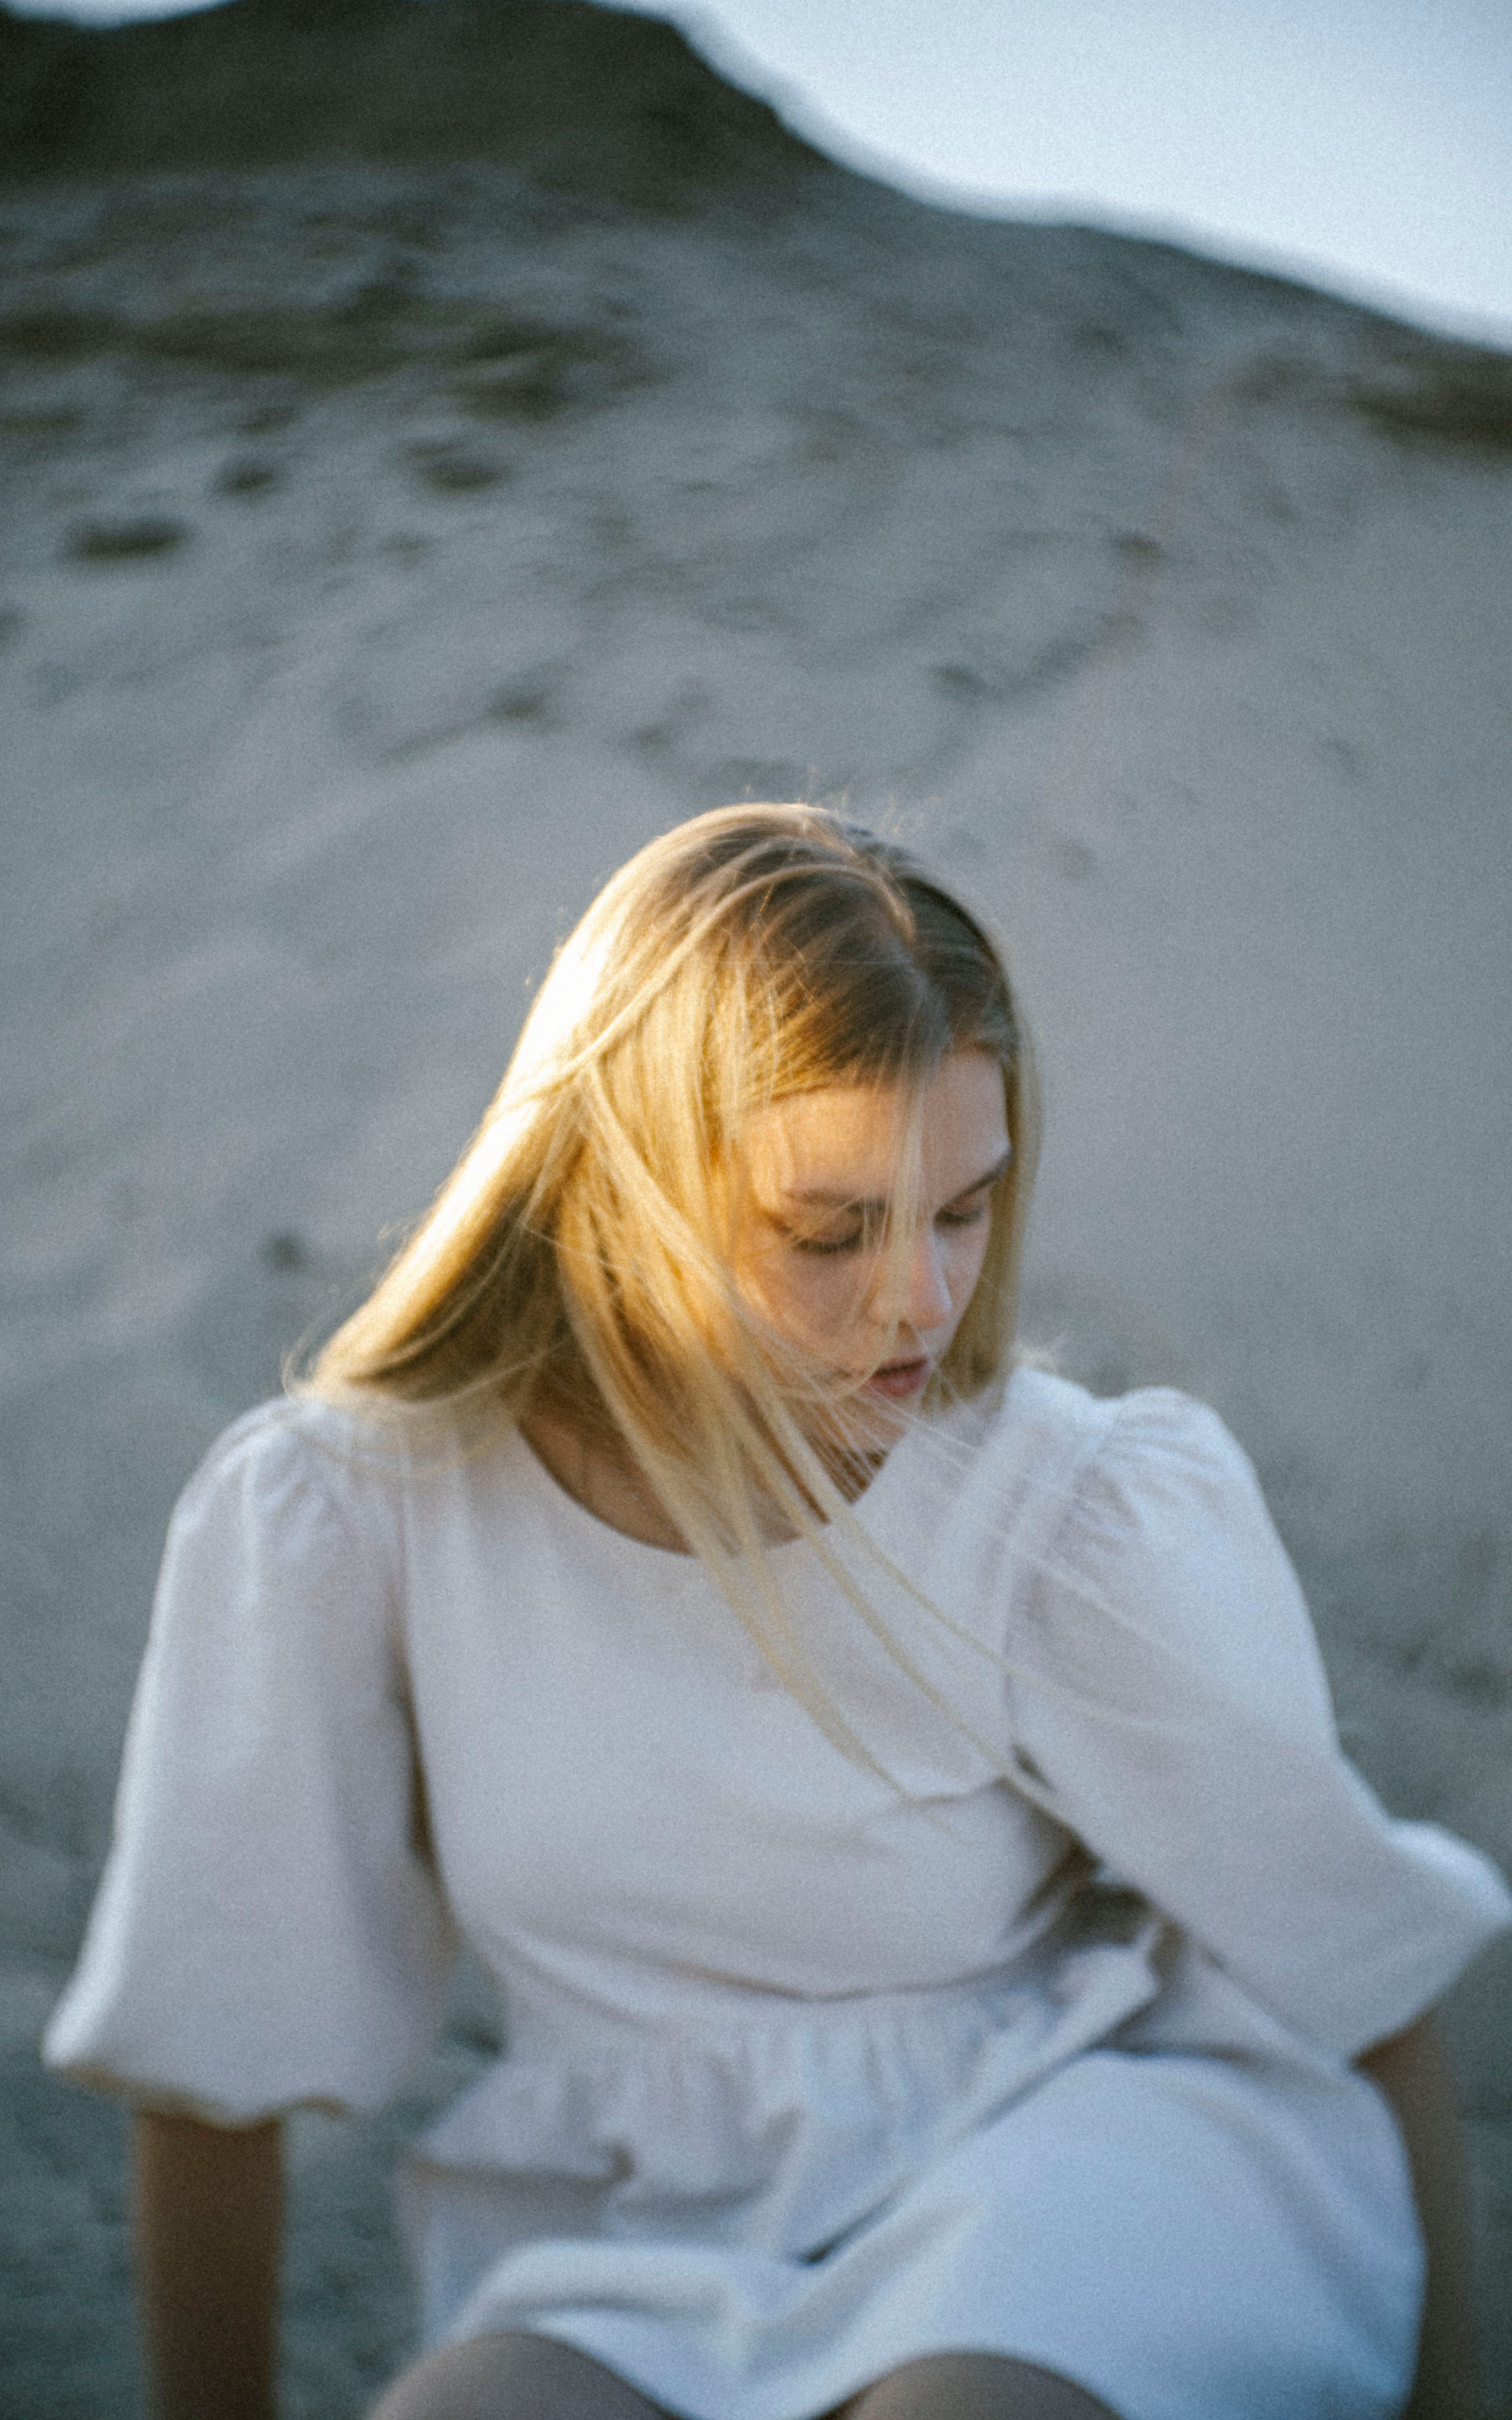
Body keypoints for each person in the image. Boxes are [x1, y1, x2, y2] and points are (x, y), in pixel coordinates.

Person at [45, 804, 1511, 2420]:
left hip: (1078, 2155)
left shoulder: (1064, 1509)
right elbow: (212, 2048)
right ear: (627, 1194)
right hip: (648, 2241)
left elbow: (1355, 1971)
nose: (925, 1298)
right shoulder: (353, 1517)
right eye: (834, 1232)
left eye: (964, 1208)